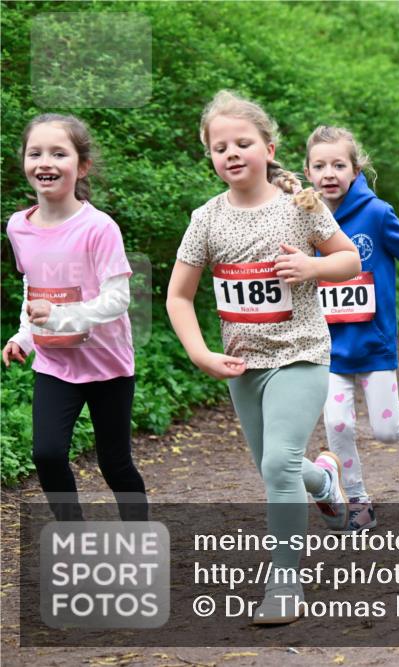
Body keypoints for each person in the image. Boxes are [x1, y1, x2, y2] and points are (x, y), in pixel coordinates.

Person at [166, 90, 361, 624]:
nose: (231, 153)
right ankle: (324, 480)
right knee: (279, 467)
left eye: (243, 143)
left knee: (277, 464)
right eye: (219, 146)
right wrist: (200, 352)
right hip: (241, 364)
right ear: (210, 156)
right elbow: (178, 296)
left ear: (269, 148)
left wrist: (313, 270)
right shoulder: (206, 219)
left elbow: (348, 258)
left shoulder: (300, 208)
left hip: (300, 354)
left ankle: (285, 583)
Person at [303, 125, 399, 532]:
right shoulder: (303, 217)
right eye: (319, 165)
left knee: (386, 432)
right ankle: (359, 499)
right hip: (327, 350)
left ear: (355, 168)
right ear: (308, 171)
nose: (328, 173)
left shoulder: (376, 214)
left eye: (338, 164)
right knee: (339, 425)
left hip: (374, 346)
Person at [3, 114, 147, 523]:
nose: (45, 162)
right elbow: (34, 288)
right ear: (25, 162)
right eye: (36, 153)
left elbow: (118, 299)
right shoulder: (19, 226)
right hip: (55, 362)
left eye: (58, 153)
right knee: (46, 455)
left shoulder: (99, 228)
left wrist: (60, 314)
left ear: (81, 166)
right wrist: (25, 336)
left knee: (115, 464)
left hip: (107, 364)